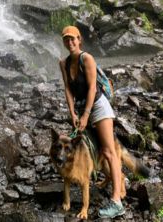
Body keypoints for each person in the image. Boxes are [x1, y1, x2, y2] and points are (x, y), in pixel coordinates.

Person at [58, 25, 124, 218]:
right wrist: (72, 113)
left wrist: (86, 115)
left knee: (108, 151)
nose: (70, 42)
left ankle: (117, 201)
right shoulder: (63, 63)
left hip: (97, 105)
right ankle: (89, 175)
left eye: (73, 39)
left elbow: (92, 89)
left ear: (79, 40)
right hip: (80, 108)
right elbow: (68, 90)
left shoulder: (87, 59)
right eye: (66, 39)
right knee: (83, 147)